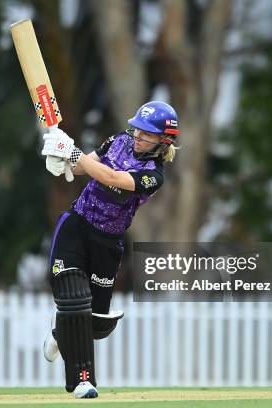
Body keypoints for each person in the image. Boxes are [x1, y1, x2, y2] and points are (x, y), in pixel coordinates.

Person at [40, 101, 180, 398]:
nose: (137, 137)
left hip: (108, 242)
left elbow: (112, 179)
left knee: (94, 323)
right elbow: (83, 167)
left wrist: (73, 152)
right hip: (77, 227)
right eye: (137, 130)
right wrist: (62, 157)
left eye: (146, 134)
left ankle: (59, 330)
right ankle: (82, 381)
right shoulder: (118, 140)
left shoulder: (154, 175)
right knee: (74, 296)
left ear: (163, 141)